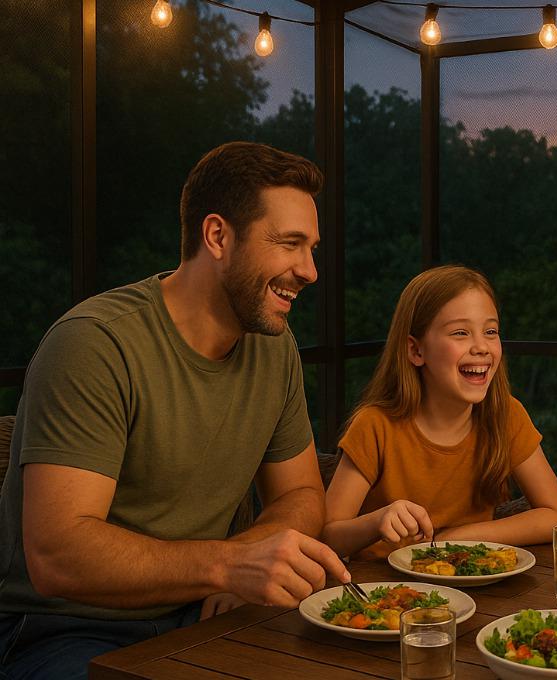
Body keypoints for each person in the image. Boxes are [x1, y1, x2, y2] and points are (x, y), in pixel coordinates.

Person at [0, 142, 351, 679]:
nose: (310, 270)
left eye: (312, 248)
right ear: (217, 237)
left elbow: (304, 496)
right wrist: (227, 566)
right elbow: (58, 555)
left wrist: (235, 572)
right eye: (290, 244)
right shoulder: (95, 345)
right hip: (63, 631)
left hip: (203, 613)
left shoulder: (273, 347)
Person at [321, 265, 557, 560]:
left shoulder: (506, 415)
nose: (481, 347)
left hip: (480, 594)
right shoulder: (374, 425)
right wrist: (377, 521)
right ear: (416, 351)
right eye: (460, 333)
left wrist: (459, 538)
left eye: (490, 331)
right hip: (385, 592)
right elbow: (328, 537)